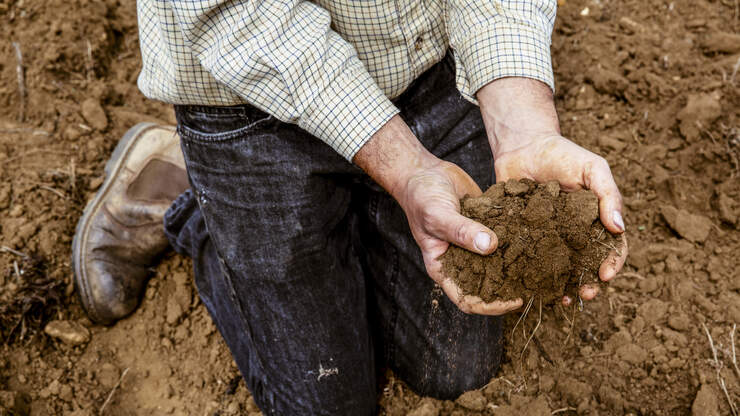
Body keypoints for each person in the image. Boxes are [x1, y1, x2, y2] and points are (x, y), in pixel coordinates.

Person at [72, 0, 628, 413]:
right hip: (251, 104)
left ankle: (351, 215)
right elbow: (236, 15)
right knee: (327, 405)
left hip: (421, 68)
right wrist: (405, 168)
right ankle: (188, 203)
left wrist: (523, 127)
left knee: (455, 368)